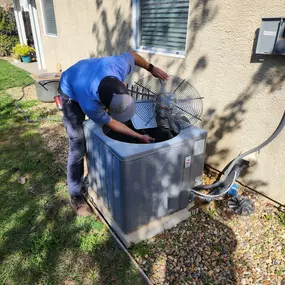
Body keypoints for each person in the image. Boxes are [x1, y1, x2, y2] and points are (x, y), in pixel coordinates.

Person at [59, 51, 168, 216]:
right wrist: (138, 136)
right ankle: (75, 194)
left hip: (88, 74)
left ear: (123, 85)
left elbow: (133, 55)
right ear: (103, 105)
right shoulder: (90, 104)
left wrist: (151, 68)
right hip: (70, 91)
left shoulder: (118, 65)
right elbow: (111, 122)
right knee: (77, 143)